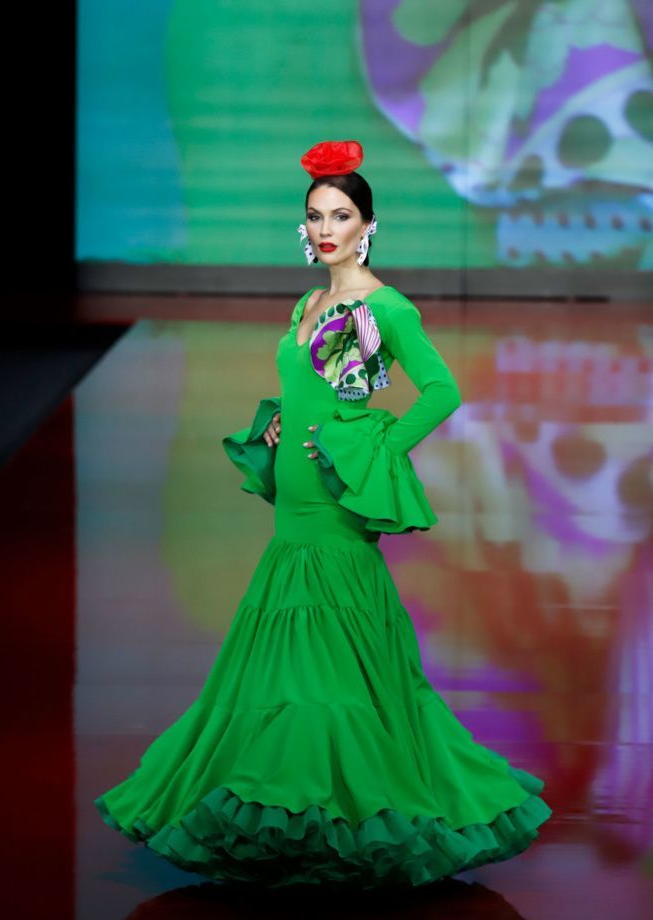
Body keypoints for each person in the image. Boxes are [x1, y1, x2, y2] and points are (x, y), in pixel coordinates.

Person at [94, 139, 552, 889]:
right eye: (315, 216)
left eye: (341, 215)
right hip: (295, 507)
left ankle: (347, 813)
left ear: (368, 223)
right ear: (303, 227)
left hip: (338, 506)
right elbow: (314, 390)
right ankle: (301, 809)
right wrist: (278, 425)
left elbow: (440, 390)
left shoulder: (386, 306)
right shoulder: (308, 303)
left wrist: (373, 445)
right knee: (286, 666)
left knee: (330, 673)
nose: (326, 227)